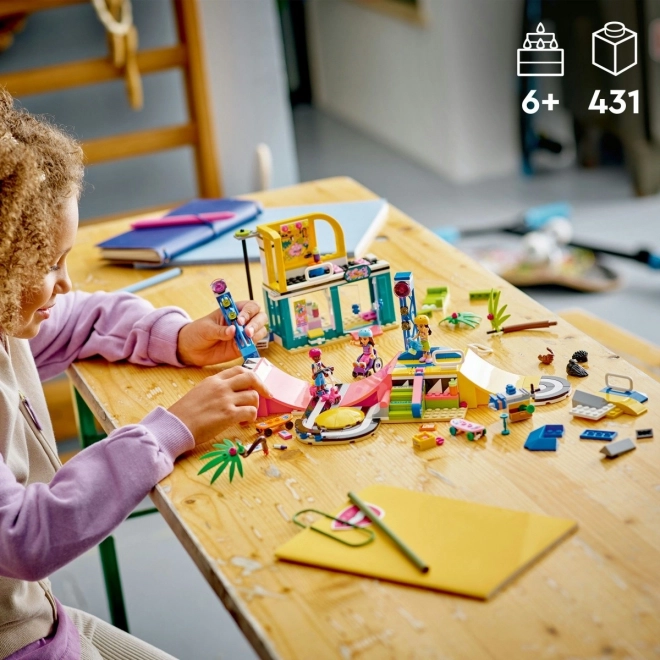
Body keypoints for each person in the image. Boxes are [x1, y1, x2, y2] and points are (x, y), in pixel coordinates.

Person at [0, 90, 271, 659]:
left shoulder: (8, 317)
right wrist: (173, 429)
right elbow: (24, 535)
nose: (67, 282)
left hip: (41, 621)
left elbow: (81, 316)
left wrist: (175, 337)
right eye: (49, 265)